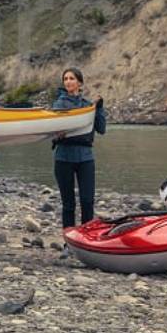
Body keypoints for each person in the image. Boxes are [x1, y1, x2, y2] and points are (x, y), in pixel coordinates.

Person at [51, 67, 107, 229]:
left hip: (85, 158)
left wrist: (100, 108)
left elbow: (101, 129)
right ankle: (68, 242)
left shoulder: (88, 105)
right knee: (68, 204)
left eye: (72, 78)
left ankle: (87, 237)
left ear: (79, 83)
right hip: (64, 158)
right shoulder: (59, 104)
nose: (68, 81)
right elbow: (52, 131)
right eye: (66, 79)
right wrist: (57, 134)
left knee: (87, 201)